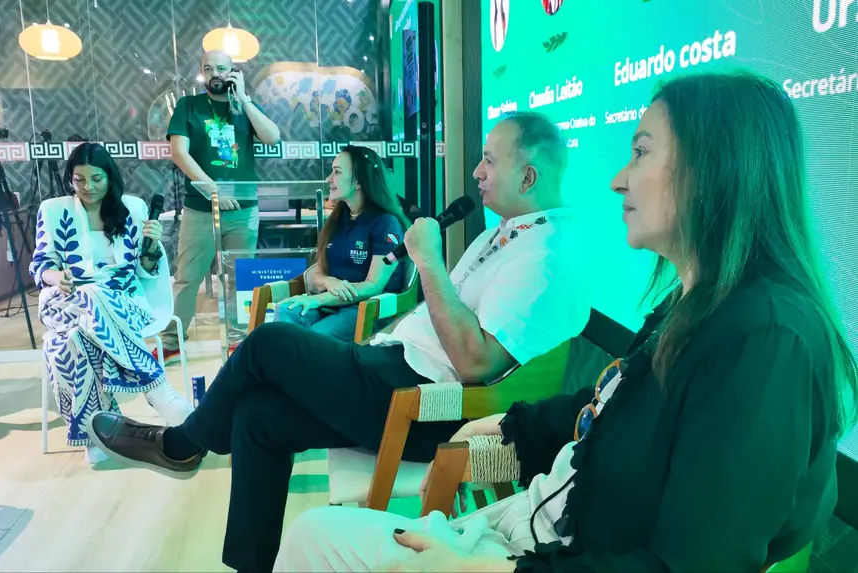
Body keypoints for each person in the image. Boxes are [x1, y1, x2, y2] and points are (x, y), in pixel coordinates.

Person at [275, 71, 858, 572]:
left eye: (641, 152)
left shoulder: (765, 342)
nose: (618, 179)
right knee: (304, 509)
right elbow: (615, 402)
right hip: (540, 522)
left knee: (310, 520)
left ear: (714, 166)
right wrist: (510, 426)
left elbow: (691, 562)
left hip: (549, 550)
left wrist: (475, 566)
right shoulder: (697, 305)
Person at [87, 111, 592, 572]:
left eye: (489, 160)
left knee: (267, 342)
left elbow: (474, 363)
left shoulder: (546, 256)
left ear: (528, 177)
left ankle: (182, 445)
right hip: (392, 369)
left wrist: (429, 262)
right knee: (258, 417)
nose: (477, 171)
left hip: (423, 404)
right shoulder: (506, 233)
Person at [30, 143, 193, 465]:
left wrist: (153, 246)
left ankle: (96, 433)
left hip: (123, 302)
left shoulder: (132, 209)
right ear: (70, 179)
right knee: (89, 294)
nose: (88, 187)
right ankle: (157, 390)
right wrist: (56, 277)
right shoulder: (52, 210)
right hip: (65, 301)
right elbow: (41, 264)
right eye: (79, 180)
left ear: (109, 177)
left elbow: (146, 271)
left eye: (96, 179)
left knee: (71, 341)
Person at [156, 49, 281, 363]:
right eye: (208, 68)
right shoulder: (188, 106)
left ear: (233, 72)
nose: (215, 74)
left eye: (222, 68)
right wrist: (213, 190)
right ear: (202, 72)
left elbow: (272, 137)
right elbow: (179, 153)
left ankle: (239, 340)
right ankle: (172, 341)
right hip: (200, 209)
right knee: (187, 277)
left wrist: (245, 99)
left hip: (243, 210)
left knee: (240, 279)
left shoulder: (244, 107)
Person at [274, 145, 410, 342]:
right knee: (286, 311)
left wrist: (317, 299)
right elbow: (317, 273)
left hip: (366, 308)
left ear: (358, 181)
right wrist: (329, 282)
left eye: (337, 172)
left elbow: (374, 286)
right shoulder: (338, 219)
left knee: (314, 338)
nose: (329, 179)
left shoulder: (386, 223)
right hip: (332, 304)